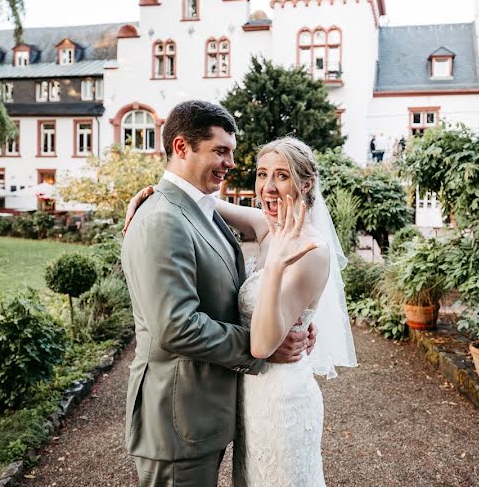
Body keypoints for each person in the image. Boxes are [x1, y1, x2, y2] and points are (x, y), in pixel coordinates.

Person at [123, 133, 357, 486]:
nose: (268, 187)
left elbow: (263, 347)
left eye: (282, 175)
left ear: (306, 183)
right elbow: (195, 200)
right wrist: (153, 194)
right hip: (248, 394)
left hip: (281, 399)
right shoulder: (266, 226)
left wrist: (275, 267)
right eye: (262, 174)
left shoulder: (312, 249)